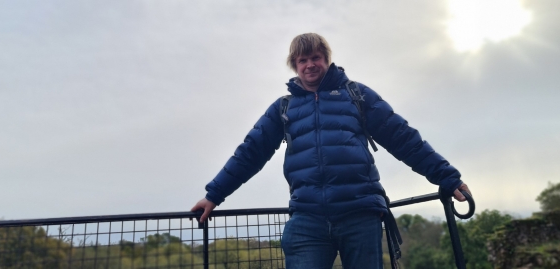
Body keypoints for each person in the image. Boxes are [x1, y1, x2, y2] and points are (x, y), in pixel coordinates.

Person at [191, 33, 471, 269]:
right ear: (295, 65)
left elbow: (403, 138)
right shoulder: (283, 108)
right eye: (303, 60)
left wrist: (448, 178)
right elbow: (250, 152)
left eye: (315, 58)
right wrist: (214, 195)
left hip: (360, 213)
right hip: (307, 219)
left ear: (326, 59)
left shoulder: (356, 96)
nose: (310, 65)